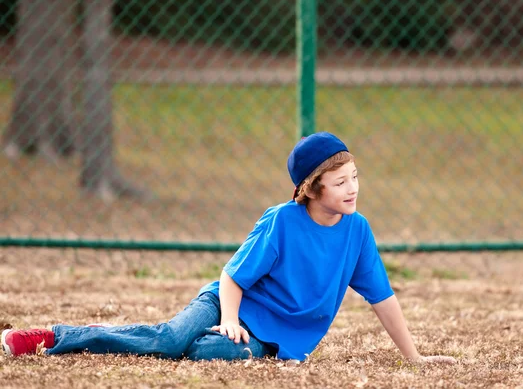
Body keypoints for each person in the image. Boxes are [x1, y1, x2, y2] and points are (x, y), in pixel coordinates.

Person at [2, 132, 456, 365]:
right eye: (340, 182)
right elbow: (232, 277)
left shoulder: (357, 232)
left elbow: (382, 298)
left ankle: (200, 342)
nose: (353, 188)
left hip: (273, 339)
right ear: (312, 190)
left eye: (355, 177)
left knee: (216, 355)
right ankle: (54, 337)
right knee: (171, 340)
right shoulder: (281, 220)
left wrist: (414, 358)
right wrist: (229, 321)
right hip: (227, 303)